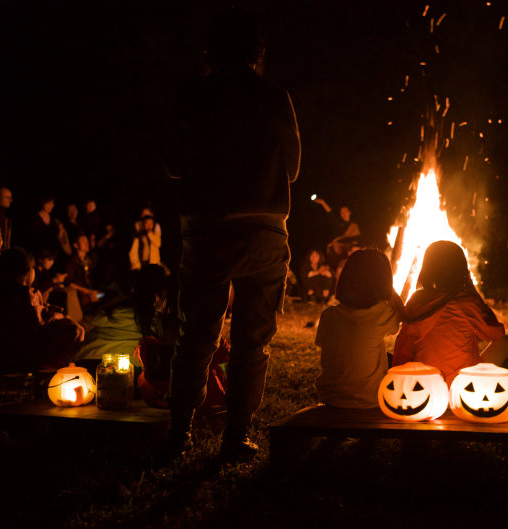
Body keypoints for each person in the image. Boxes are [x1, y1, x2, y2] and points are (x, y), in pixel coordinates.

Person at [164, 8, 300, 462]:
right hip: (263, 229)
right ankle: (236, 435)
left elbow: (173, 164)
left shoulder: (191, 96)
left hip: (206, 229)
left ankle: (178, 432)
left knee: (196, 335)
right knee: (252, 340)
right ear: (256, 52)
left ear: (211, 53)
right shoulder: (275, 97)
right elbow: (294, 169)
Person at [394, 240, 508, 385]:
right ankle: (503, 399)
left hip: (423, 388)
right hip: (462, 388)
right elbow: (496, 333)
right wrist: (472, 291)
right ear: (461, 269)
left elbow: (403, 347)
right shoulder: (466, 300)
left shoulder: (416, 300)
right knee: (507, 343)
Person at [315, 249, 404, 408]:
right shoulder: (380, 313)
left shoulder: (328, 316)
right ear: (383, 282)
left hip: (331, 398)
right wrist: (390, 289)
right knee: (396, 361)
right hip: (369, 400)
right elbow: (402, 314)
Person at [0, 247, 85, 375]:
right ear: (28, 273)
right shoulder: (29, 297)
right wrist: (58, 316)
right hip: (28, 368)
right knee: (78, 330)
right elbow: (74, 331)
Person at [312, 197, 361, 271]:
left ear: (349, 212)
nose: (343, 214)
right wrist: (323, 203)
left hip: (349, 253)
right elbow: (330, 213)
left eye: (345, 211)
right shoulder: (339, 224)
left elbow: (355, 239)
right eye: (341, 212)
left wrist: (338, 240)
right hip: (335, 253)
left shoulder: (354, 226)